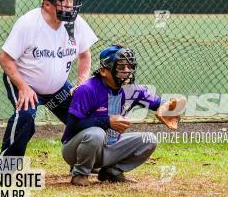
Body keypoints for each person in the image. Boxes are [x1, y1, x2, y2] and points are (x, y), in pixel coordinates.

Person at [0, 0, 98, 156]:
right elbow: (5, 59)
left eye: (71, 0)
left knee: (85, 117)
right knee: (25, 116)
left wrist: (82, 84)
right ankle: (7, 165)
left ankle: (87, 161)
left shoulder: (76, 24)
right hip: (25, 82)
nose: (69, 5)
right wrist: (23, 87)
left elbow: (85, 54)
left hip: (58, 88)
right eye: (63, 0)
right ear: (47, 4)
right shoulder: (28, 23)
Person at [62, 45, 179, 186]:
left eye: (130, 67)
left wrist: (165, 108)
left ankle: (112, 171)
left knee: (150, 139)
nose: (127, 72)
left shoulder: (134, 91)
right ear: (104, 71)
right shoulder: (87, 89)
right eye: (121, 68)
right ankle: (80, 174)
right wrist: (107, 122)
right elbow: (72, 128)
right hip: (74, 151)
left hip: (109, 147)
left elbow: (159, 103)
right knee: (96, 134)